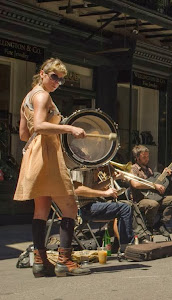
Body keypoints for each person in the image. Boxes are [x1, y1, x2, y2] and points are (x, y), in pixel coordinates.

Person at [13, 58, 90, 277]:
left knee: (41, 209)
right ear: (43, 73)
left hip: (34, 154)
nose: (57, 82)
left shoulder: (28, 97)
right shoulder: (43, 95)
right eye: (54, 76)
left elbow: (23, 134)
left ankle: (40, 261)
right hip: (46, 154)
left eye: (61, 80)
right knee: (70, 206)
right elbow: (38, 125)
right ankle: (65, 261)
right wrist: (68, 128)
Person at [71, 167, 134, 253]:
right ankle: (126, 246)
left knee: (125, 206)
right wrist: (105, 193)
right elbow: (77, 189)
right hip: (83, 208)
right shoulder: (77, 168)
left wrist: (113, 178)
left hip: (90, 204)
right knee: (124, 208)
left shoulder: (88, 166)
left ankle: (123, 244)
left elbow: (93, 187)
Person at [129, 145, 172, 238]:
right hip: (140, 199)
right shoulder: (133, 169)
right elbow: (135, 184)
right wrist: (154, 186)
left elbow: (155, 182)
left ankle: (161, 222)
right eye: (144, 157)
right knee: (153, 204)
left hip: (153, 197)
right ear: (137, 158)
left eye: (148, 156)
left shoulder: (148, 169)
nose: (147, 159)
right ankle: (149, 226)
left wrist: (164, 174)